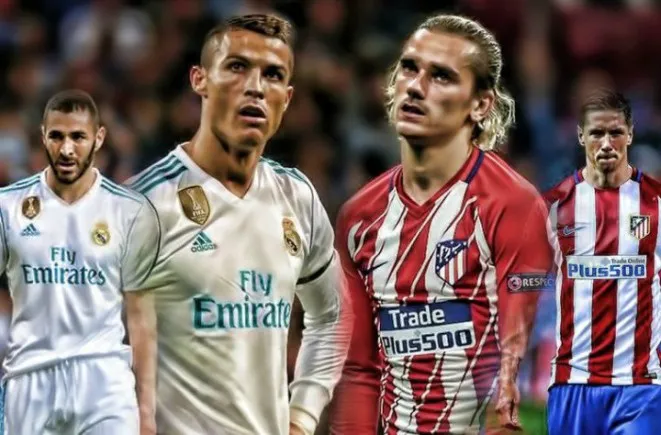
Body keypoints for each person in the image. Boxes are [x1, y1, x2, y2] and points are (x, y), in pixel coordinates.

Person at [329, 14, 555, 434]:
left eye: (441, 76)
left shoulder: (513, 206)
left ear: (480, 105)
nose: (415, 86)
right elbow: (360, 371)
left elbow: (516, 372)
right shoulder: (359, 217)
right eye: (409, 68)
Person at [127, 14, 350, 435]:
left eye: (273, 75)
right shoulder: (143, 204)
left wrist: (302, 417)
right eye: (237, 67)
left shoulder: (297, 198)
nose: (255, 87)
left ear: (287, 97)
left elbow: (333, 316)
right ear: (199, 80)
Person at [0, 89, 159, 434]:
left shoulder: (129, 211)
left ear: (99, 138)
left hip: (105, 381)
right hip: (30, 378)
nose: (66, 149)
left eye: (78, 137)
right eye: (57, 136)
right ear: (43, 135)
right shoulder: (8, 206)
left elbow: (141, 316)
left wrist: (146, 409)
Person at [545, 89, 661, 434]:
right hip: (572, 385)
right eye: (597, 133)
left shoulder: (657, 203)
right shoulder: (553, 206)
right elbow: (523, 284)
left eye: (616, 132)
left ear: (631, 134)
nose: (607, 143)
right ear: (581, 135)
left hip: (642, 386)